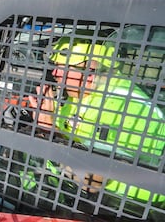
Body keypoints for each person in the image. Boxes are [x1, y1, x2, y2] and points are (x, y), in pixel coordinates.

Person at [28, 33, 165, 203]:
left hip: (125, 208)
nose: (54, 73)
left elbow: (91, 180)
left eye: (64, 68)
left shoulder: (128, 108)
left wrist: (48, 129)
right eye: (55, 66)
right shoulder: (77, 96)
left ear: (91, 72)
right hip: (69, 194)